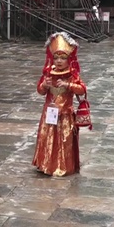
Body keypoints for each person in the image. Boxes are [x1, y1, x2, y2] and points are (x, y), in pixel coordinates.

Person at [32, 32, 86, 177]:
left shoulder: (72, 74)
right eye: (56, 57)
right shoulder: (49, 73)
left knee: (64, 141)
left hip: (65, 114)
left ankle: (63, 165)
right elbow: (40, 91)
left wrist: (68, 84)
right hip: (49, 113)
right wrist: (44, 84)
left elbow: (82, 90)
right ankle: (45, 164)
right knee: (47, 137)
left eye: (63, 57)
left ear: (69, 59)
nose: (59, 61)